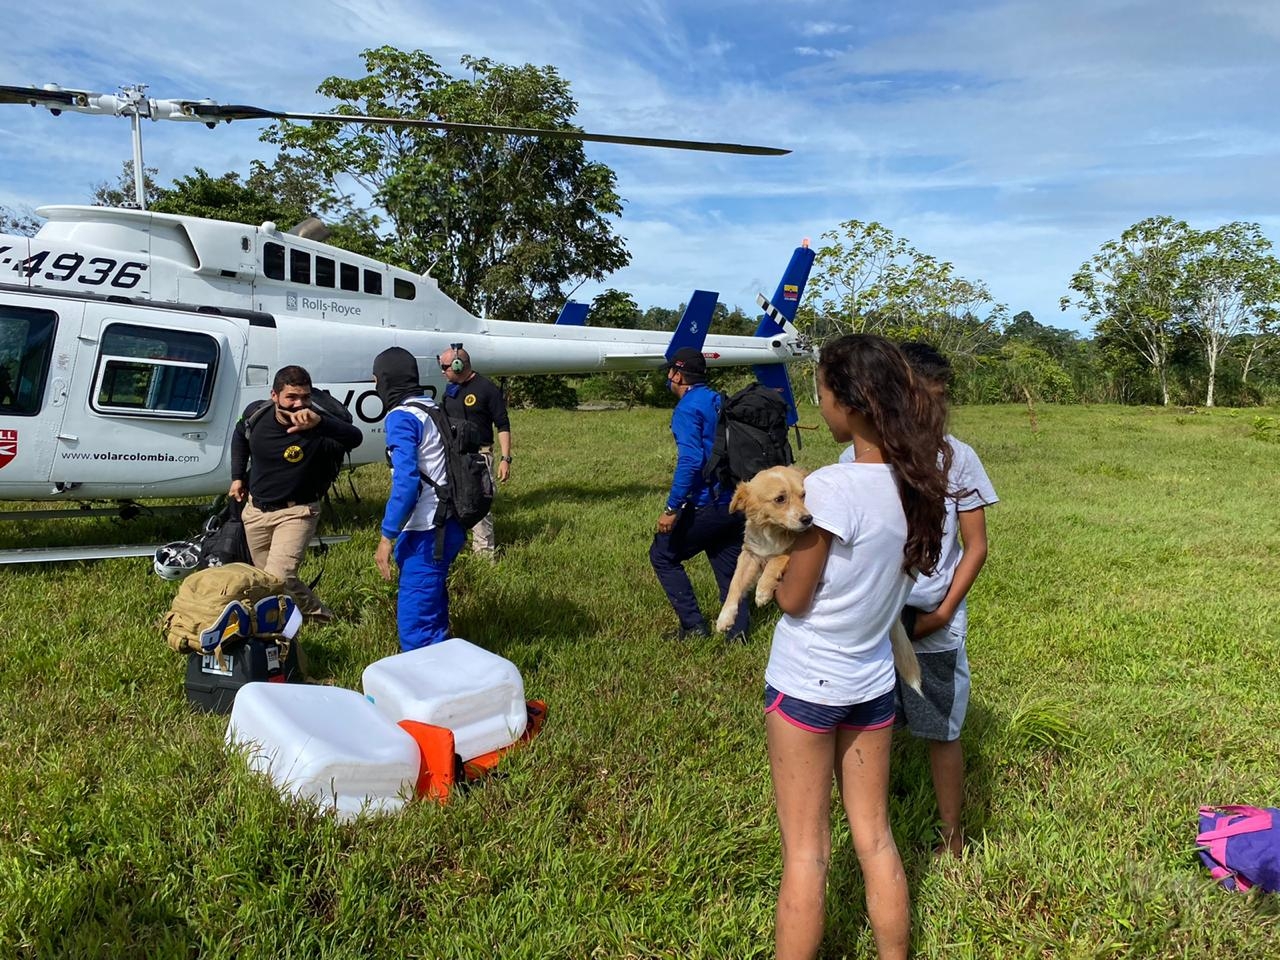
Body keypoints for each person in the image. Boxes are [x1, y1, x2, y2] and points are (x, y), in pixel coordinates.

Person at [765, 334, 949, 960]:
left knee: (807, 854)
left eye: (819, 392)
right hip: (873, 685)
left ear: (850, 402)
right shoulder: (913, 482)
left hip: (808, 684)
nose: (818, 405)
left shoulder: (832, 489)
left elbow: (793, 598)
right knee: (875, 839)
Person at [887, 341, 998, 857]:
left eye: (940, 396)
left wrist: (946, 610)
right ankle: (876, 825)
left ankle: (953, 837)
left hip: (933, 618)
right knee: (872, 725)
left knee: (941, 730)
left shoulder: (959, 458)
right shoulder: (861, 457)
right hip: (874, 623)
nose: (932, 408)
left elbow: (975, 545)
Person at [229, 365, 362, 622]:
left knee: (280, 578)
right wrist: (237, 477)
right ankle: (282, 622)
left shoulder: (317, 424)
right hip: (256, 512)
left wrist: (321, 423)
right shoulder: (256, 416)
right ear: (274, 396)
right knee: (266, 579)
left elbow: (354, 438)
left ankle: (322, 619)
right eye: (291, 397)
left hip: (297, 512)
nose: (299, 404)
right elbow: (239, 437)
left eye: (305, 397)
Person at [649, 346, 750, 642]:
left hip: (706, 503)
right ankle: (738, 633)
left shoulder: (687, 408)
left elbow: (691, 460)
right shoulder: (720, 399)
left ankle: (693, 627)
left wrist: (672, 508)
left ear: (678, 375)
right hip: (734, 501)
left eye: (671, 372)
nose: (669, 377)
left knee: (663, 555)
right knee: (728, 565)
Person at [373, 346, 466, 651]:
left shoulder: (402, 417)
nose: (375, 387)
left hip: (428, 531)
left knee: (416, 630)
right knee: (433, 612)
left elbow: (407, 483)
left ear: (387, 380)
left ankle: (428, 688)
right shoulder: (431, 408)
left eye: (377, 380)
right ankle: (445, 669)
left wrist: (387, 537)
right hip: (450, 522)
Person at [438, 345, 511, 559]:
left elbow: (503, 425)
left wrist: (506, 459)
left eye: (445, 366)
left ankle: (484, 557)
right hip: (453, 456)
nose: (442, 371)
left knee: (479, 506)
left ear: (458, 365)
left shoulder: (486, 389)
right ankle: (456, 549)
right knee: (453, 503)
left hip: (479, 456)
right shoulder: (450, 391)